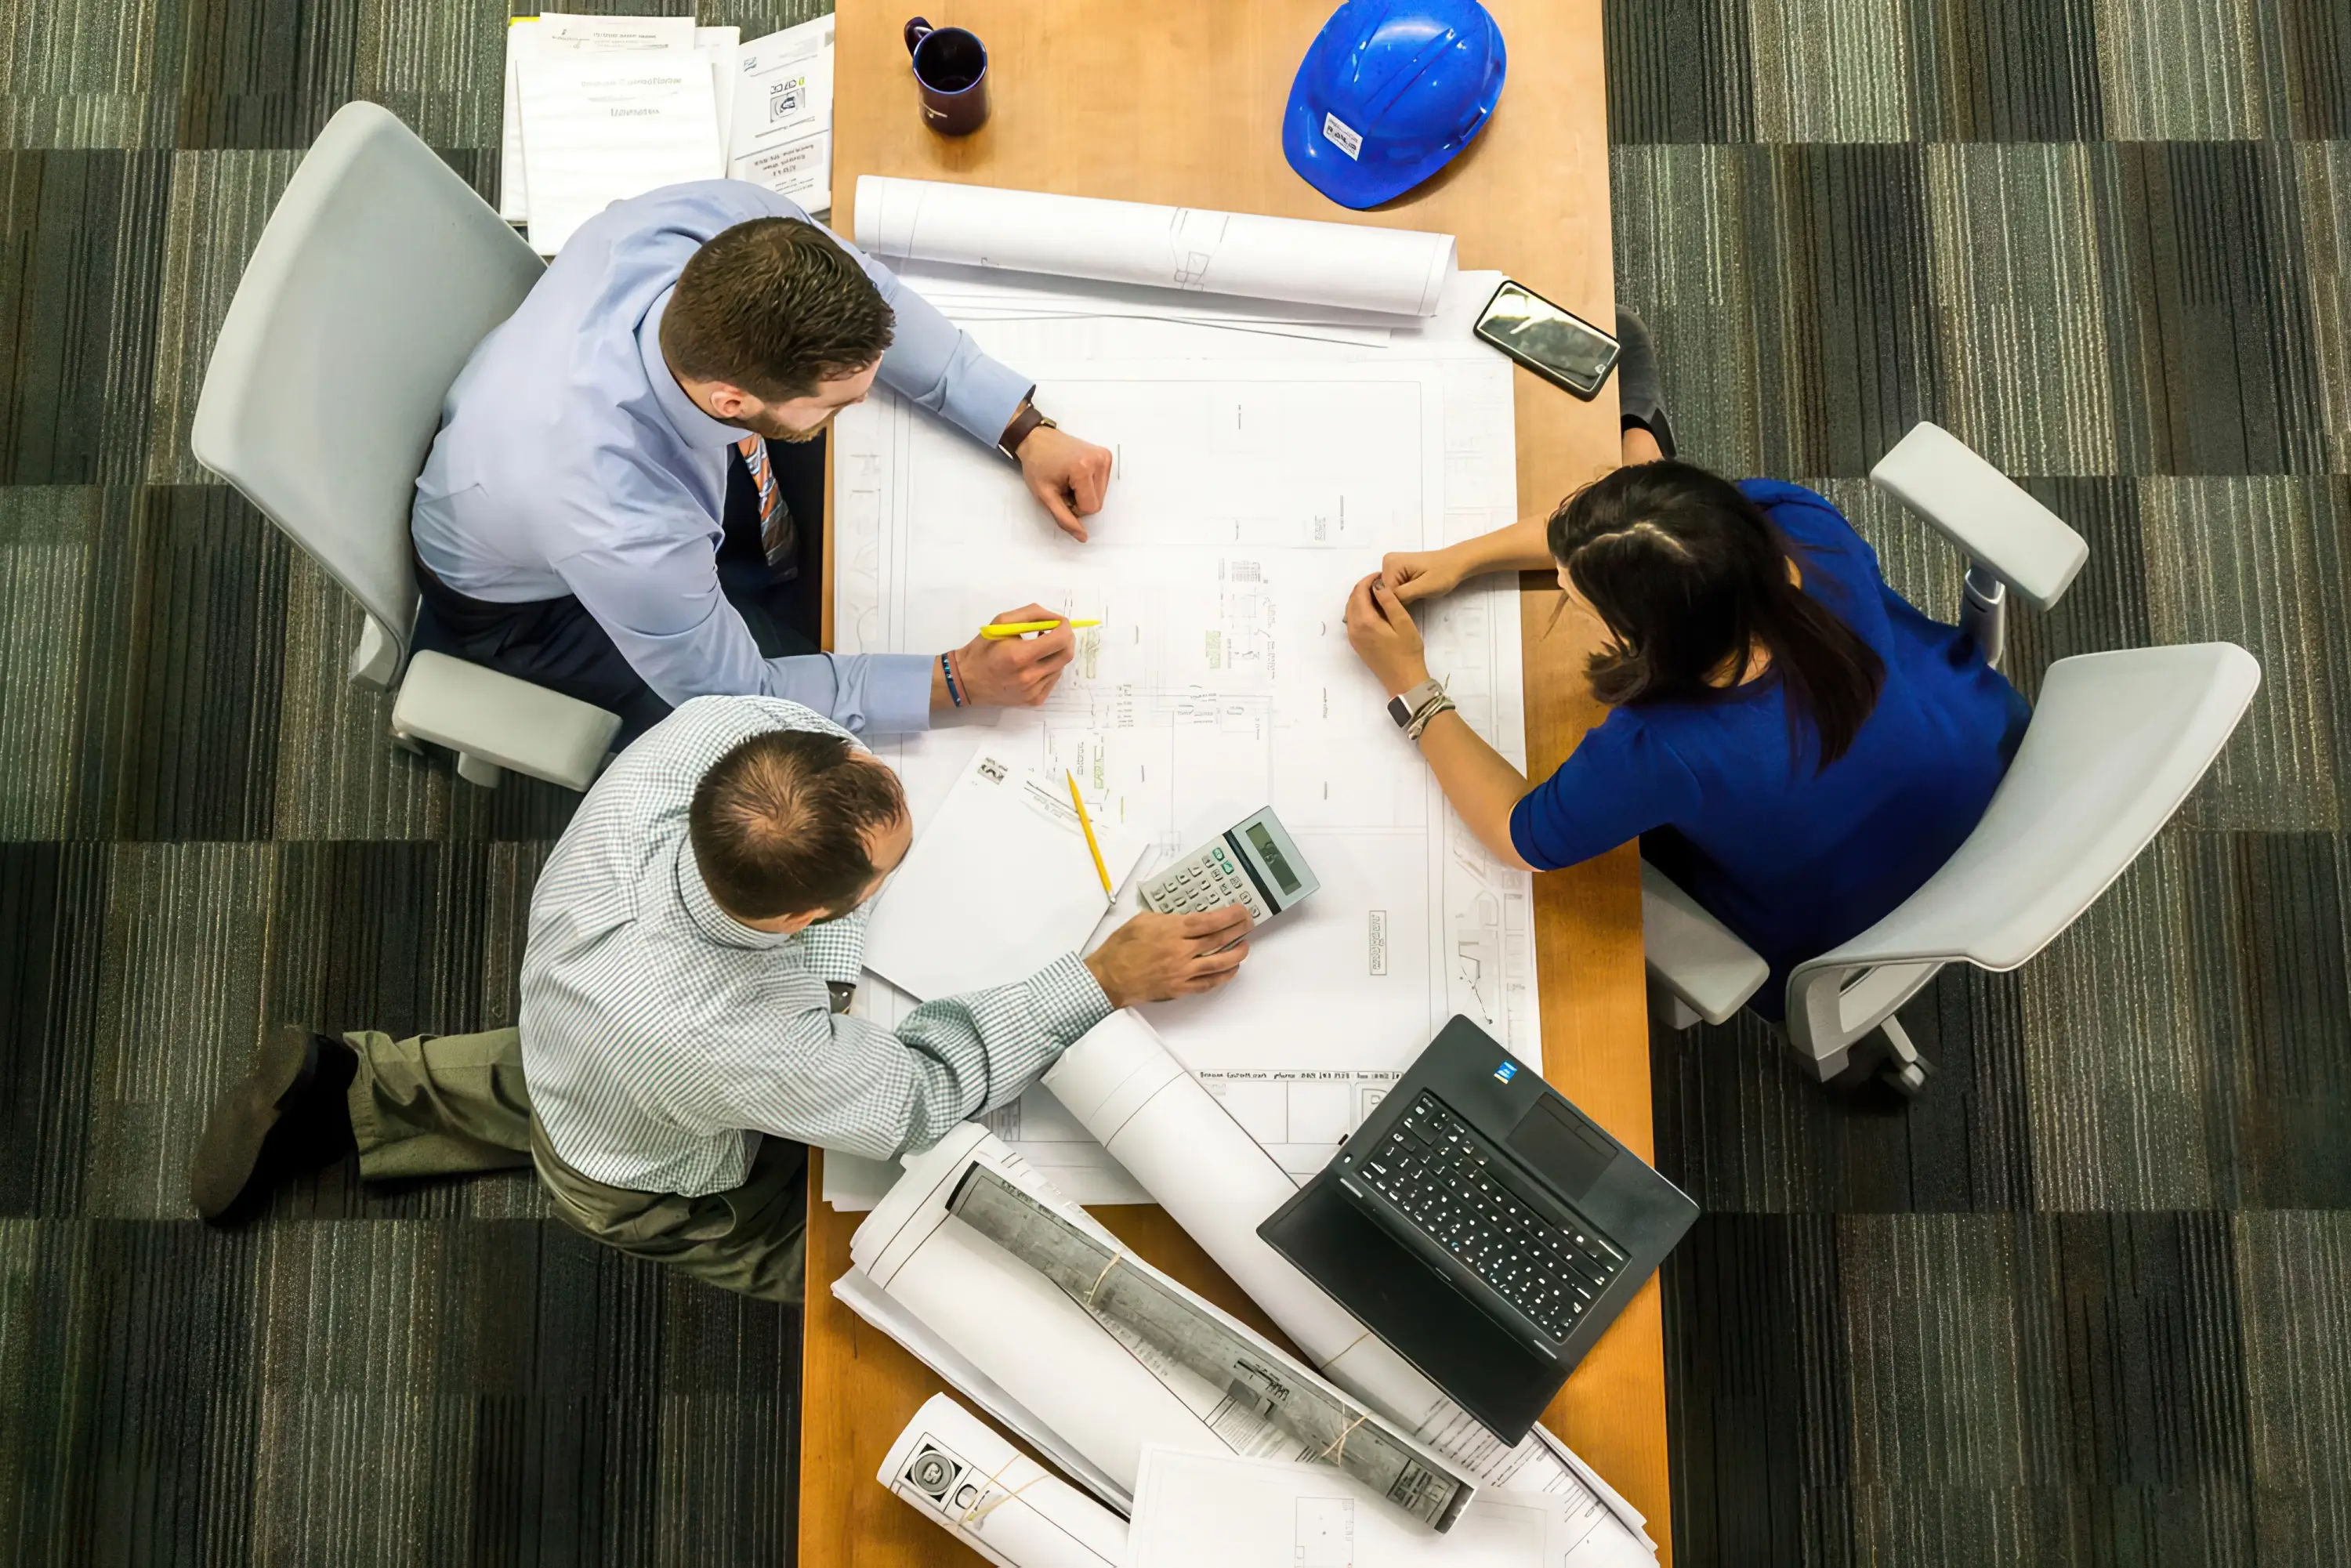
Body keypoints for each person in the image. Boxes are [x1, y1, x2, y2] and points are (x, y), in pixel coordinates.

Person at [187, 697, 1254, 1302]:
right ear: (802, 918)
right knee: (870, 1261)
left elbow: (812, 749)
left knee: (575, 1070)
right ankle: (875, 1283)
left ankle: (355, 1086)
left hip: (580, 1017)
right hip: (641, 1165)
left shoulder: (713, 737)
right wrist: (1097, 979)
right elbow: (919, 1097)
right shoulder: (729, 1039)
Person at [1341, 314, 2028, 1019]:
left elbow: (1522, 836)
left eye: (1577, 600)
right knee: (1624, 352)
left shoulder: (1661, 750)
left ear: (1645, 639)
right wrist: (1460, 560)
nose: (1566, 598)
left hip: (1854, 913)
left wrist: (1410, 684)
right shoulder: (1795, 522)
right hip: (1983, 749)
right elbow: (1631, 536)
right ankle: (1645, 440)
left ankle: (1643, 438)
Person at [410, 180, 1121, 742]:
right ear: (731, 400)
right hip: (531, 608)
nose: (864, 401)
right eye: (840, 401)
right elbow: (740, 695)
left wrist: (1021, 427)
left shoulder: (724, 223)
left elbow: (876, 296)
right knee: (796, 760)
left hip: (534, 442)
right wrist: (957, 680)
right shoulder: (623, 523)